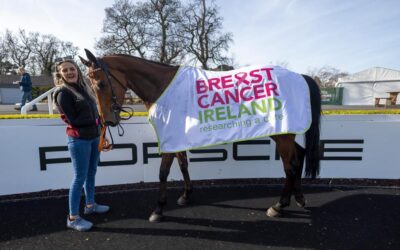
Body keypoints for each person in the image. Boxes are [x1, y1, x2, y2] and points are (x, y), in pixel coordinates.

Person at [53, 58, 109, 232]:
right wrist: (95, 121)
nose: (70, 72)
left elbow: (96, 115)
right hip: (78, 140)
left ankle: (90, 205)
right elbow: (74, 121)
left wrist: (102, 134)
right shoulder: (63, 93)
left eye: (72, 69)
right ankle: (73, 217)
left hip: (93, 138)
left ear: (77, 70)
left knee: (92, 172)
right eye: (65, 70)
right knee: (79, 178)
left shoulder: (84, 89)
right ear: (60, 74)